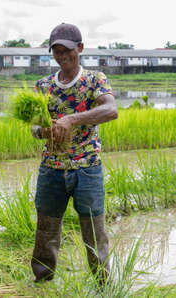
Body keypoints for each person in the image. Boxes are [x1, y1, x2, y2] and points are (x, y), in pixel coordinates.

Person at [30, 23, 118, 284]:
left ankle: (102, 284)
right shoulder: (43, 85)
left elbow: (111, 110)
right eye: (56, 51)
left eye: (67, 50)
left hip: (87, 168)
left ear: (80, 48)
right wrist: (46, 131)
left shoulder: (95, 79)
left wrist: (71, 120)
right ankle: (43, 282)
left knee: (94, 231)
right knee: (46, 230)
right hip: (51, 169)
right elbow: (34, 126)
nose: (62, 56)